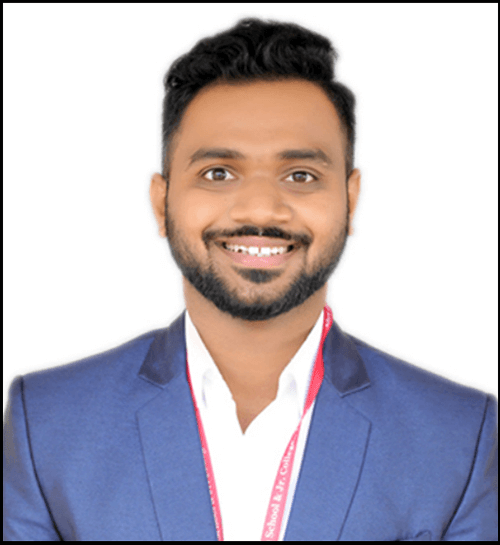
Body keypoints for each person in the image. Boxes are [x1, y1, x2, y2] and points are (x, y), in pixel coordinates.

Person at [3, 17, 497, 542]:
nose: (261, 208)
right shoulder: (48, 423)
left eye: (300, 175)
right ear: (161, 202)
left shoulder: (459, 436)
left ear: (350, 201)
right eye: (218, 173)